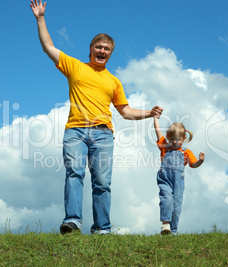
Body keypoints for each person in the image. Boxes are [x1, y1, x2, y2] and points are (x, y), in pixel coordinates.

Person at [30, 0, 164, 235]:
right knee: (74, 173)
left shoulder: (113, 81)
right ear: (90, 49)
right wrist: (40, 18)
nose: (102, 51)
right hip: (76, 131)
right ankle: (72, 222)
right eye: (99, 47)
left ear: (110, 53)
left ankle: (102, 228)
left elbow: (125, 111)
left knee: (102, 182)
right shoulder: (75, 67)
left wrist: (148, 113)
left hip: (103, 134)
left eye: (107, 49)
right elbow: (47, 47)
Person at [153, 116, 204, 235]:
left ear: (184, 139)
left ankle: (173, 230)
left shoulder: (186, 152)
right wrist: (155, 119)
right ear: (168, 139)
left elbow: (193, 164)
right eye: (172, 139)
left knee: (177, 204)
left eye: (178, 139)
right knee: (166, 198)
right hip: (165, 178)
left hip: (178, 182)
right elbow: (158, 132)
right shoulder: (165, 147)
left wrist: (200, 161)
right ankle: (165, 224)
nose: (175, 142)